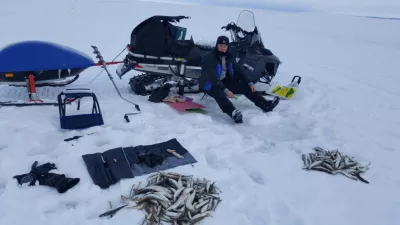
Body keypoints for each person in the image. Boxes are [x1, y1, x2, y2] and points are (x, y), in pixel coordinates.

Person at [198, 35, 280, 123]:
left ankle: (265, 104)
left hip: (224, 81)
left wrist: (249, 82)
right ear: (217, 46)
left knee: (245, 86)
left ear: (227, 47)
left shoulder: (229, 56)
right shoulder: (210, 58)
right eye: (220, 46)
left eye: (225, 46)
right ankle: (232, 112)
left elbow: (239, 70)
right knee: (219, 93)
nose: (223, 48)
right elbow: (212, 78)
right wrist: (226, 90)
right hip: (209, 83)